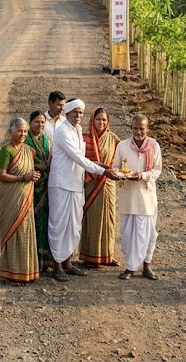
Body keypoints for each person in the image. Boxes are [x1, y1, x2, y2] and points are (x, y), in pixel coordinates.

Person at [48, 98, 115, 282]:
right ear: (67, 113)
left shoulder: (76, 130)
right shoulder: (63, 131)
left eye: (80, 113)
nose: (78, 116)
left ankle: (68, 263)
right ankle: (57, 266)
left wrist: (99, 165)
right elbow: (78, 157)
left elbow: (83, 158)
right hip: (61, 184)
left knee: (74, 226)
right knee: (59, 225)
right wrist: (103, 171)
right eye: (75, 112)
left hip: (76, 184)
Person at [113, 114, 163, 280]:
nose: (138, 131)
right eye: (135, 128)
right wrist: (121, 174)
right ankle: (130, 267)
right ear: (131, 128)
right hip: (128, 196)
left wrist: (141, 175)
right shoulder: (123, 145)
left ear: (147, 129)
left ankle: (146, 266)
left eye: (142, 128)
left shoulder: (153, 146)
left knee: (148, 233)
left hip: (146, 197)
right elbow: (115, 167)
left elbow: (157, 170)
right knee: (127, 233)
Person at [0, 118, 41, 284]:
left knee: (25, 231)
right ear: (11, 132)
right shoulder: (6, 151)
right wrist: (23, 177)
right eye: (18, 131)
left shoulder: (29, 151)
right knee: (12, 231)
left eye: (24, 131)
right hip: (11, 197)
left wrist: (35, 174)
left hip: (25, 197)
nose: (22, 134)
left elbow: (32, 168)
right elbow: (0, 175)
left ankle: (26, 271)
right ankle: (10, 273)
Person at [79, 107, 120, 266]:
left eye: (104, 120)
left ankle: (107, 255)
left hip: (107, 184)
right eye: (98, 119)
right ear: (92, 120)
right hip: (91, 183)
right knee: (93, 219)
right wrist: (98, 167)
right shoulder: (85, 138)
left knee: (109, 219)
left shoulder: (114, 139)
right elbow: (81, 161)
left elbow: (120, 160)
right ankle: (91, 257)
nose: (101, 122)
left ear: (108, 121)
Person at [24, 110, 54, 271]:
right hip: (30, 186)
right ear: (30, 123)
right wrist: (37, 166)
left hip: (46, 186)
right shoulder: (25, 139)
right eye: (37, 122)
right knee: (32, 221)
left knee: (46, 220)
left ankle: (45, 261)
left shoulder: (47, 140)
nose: (40, 125)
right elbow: (20, 161)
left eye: (43, 123)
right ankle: (31, 259)